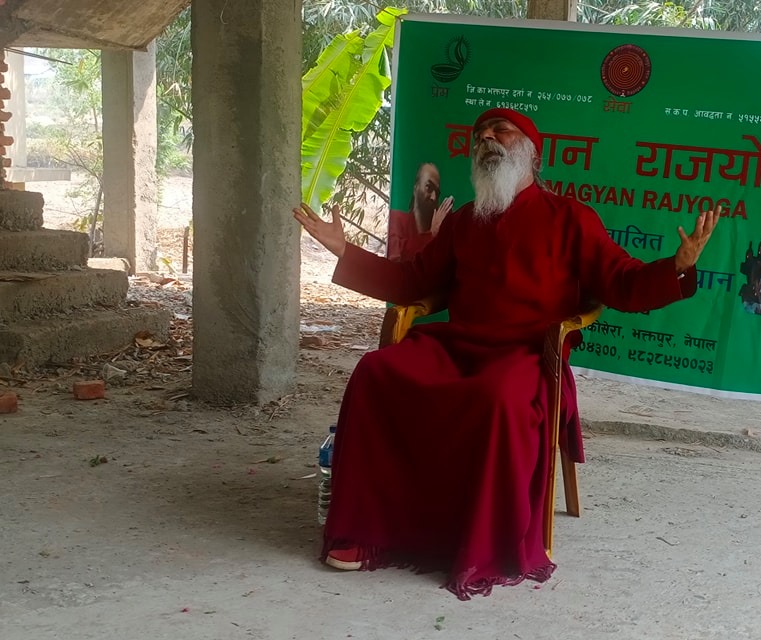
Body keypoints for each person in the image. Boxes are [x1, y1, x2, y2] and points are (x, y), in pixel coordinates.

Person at [293, 107, 719, 599]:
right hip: (458, 345)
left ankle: (478, 545)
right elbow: (413, 281)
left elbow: (622, 283)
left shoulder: (571, 218)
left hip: (526, 356)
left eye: (501, 131)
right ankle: (370, 531)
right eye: (479, 134)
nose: (487, 138)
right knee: (375, 371)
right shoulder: (464, 221)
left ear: (532, 153)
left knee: (496, 399)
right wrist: (344, 251)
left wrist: (677, 266)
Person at [386, 162, 454, 261]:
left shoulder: (438, 230)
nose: (434, 197)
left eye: (437, 192)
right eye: (429, 187)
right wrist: (431, 234)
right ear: (416, 188)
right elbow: (395, 261)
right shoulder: (396, 219)